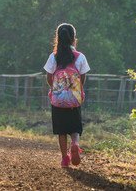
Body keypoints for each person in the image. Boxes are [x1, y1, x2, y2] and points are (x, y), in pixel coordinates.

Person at [43, 23, 90, 167]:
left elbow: (49, 76)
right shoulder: (80, 57)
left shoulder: (54, 56)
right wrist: (78, 90)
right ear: (73, 38)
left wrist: (55, 89)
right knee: (74, 128)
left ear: (58, 38)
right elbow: (82, 77)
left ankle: (65, 158)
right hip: (74, 99)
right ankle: (75, 144)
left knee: (61, 130)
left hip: (58, 99)